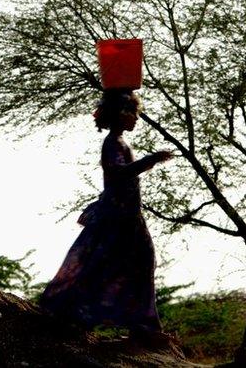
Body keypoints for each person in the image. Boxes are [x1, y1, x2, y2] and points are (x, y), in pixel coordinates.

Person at [40, 90, 172, 344]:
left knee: (133, 262)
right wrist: (151, 160)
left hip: (126, 214)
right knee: (105, 264)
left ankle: (142, 326)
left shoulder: (119, 142)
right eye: (132, 113)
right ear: (121, 114)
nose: (136, 118)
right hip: (117, 216)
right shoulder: (112, 143)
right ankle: (79, 315)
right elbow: (119, 174)